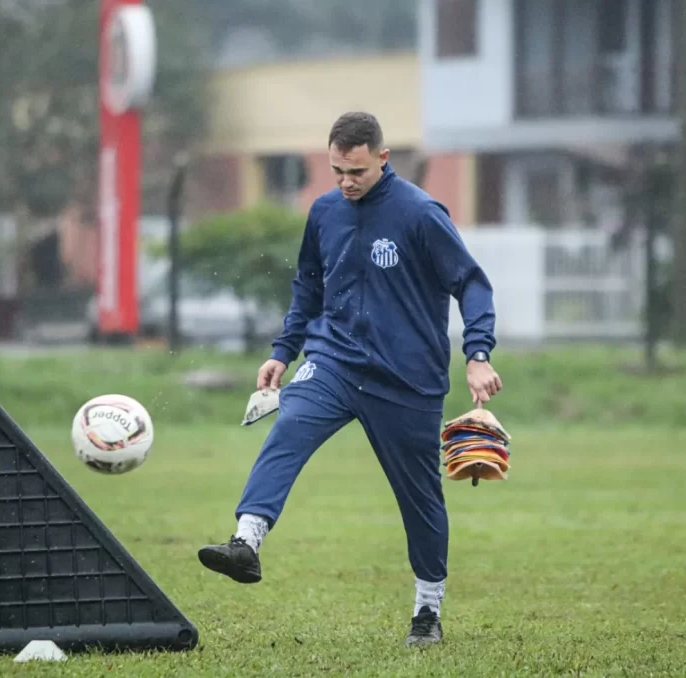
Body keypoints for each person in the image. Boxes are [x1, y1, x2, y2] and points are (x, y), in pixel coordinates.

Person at [197, 111, 502, 647]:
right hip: (333, 360)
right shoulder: (324, 213)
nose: (345, 182)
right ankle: (246, 542)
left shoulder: (421, 215)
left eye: (356, 171)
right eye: (337, 170)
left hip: (406, 379)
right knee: (288, 424)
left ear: (382, 158)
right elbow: (308, 287)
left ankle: (427, 612)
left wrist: (477, 353)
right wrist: (284, 350)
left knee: (420, 499)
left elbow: (473, 285)